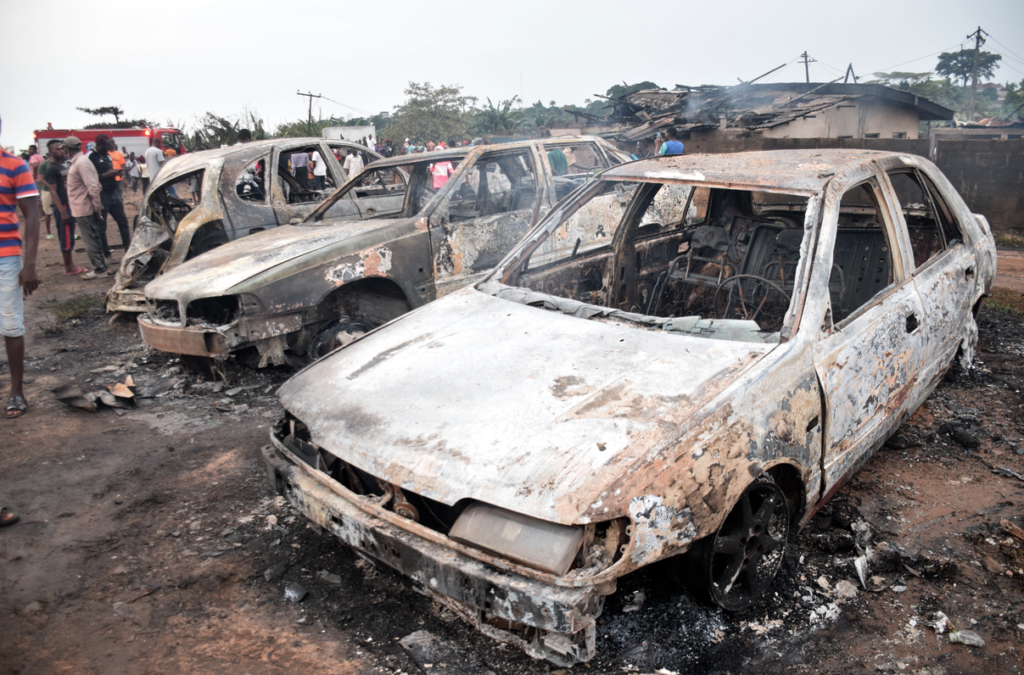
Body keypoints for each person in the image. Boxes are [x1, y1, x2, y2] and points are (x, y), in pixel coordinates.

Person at [0, 118, 41, 427]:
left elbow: (32, 215)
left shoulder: (15, 165)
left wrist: (30, 264)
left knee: (11, 324)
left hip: (6, 257)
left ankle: (16, 391)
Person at [64, 136, 108, 279]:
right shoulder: (82, 161)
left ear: (67, 149)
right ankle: (102, 267)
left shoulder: (81, 163)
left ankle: (100, 269)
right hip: (84, 206)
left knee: (90, 240)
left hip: (84, 208)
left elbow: (92, 186)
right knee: (94, 238)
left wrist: (97, 208)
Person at [42, 141, 84, 275]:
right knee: (65, 236)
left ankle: (71, 265)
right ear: (50, 152)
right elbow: (53, 192)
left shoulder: (63, 165)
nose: (61, 151)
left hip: (69, 203)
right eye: (57, 149)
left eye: (62, 148)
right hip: (62, 205)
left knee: (70, 235)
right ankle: (69, 268)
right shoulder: (51, 168)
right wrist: (62, 212)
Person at [89, 134, 131, 253]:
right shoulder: (92, 157)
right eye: (104, 147)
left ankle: (128, 249)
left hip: (114, 192)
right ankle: (106, 253)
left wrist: (116, 173)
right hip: (102, 194)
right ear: (97, 145)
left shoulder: (107, 156)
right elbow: (90, 178)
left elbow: (109, 170)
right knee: (101, 226)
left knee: (123, 222)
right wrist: (106, 175)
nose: (106, 149)